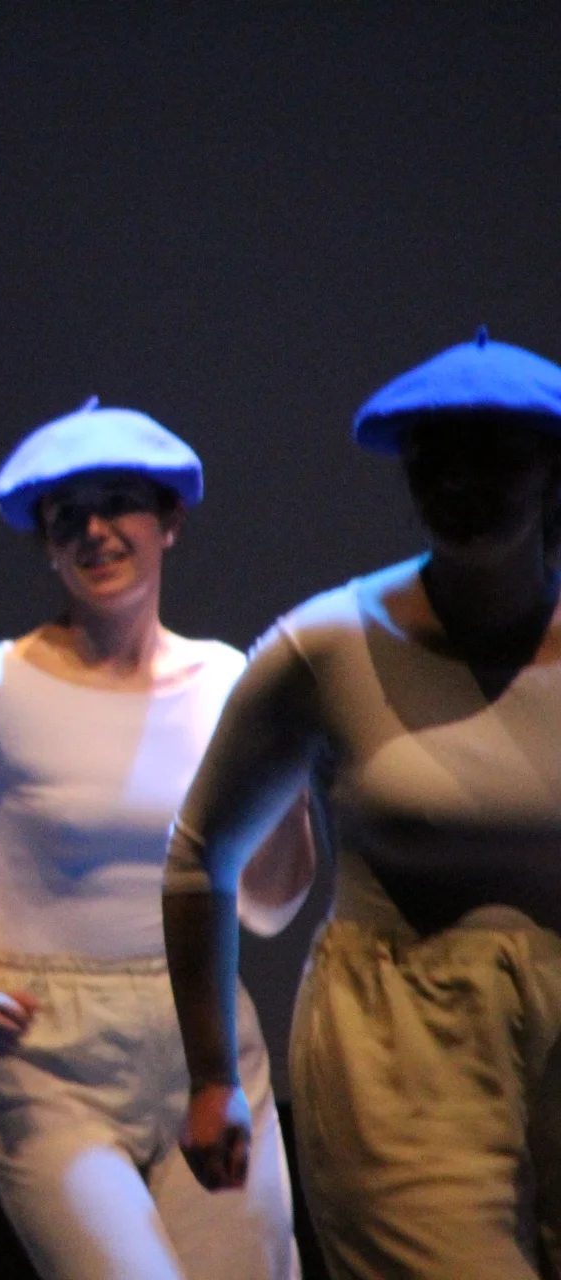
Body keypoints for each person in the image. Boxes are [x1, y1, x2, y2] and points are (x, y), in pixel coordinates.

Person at [0, 399, 310, 1280]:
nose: (95, 531)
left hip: (205, 1038)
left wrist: (290, 788)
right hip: (52, 1055)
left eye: (118, 505)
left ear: (169, 522)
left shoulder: (226, 681)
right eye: (67, 515)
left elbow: (268, 908)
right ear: (46, 541)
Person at [165, 329, 561, 1280]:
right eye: (434, 462)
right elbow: (200, 855)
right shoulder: (330, 646)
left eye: (493, 460)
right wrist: (213, 1077)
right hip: (400, 1048)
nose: (459, 485)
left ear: (551, 473)